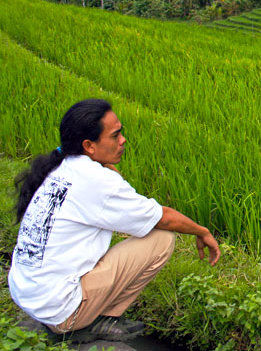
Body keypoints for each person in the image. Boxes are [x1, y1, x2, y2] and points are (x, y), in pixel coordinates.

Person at [8, 98, 220, 343]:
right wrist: (202, 231)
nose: (123, 140)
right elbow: (163, 218)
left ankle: (87, 315)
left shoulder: (63, 168)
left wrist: (108, 166)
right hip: (59, 312)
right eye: (115, 135)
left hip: (29, 294)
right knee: (161, 238)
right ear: (89, 145)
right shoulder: (95, 181)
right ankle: (96, 320)